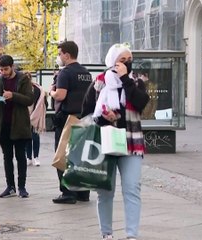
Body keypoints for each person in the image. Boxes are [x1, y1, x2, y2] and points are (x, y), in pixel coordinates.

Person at [81, 44, 150, 240]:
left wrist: (125, 79)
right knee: (105, 191)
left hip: (131, 142)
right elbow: (88, 111)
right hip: (105, 143)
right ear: (112, 61)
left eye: (129, 59)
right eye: (122, 59)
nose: (127, 62)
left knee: (132, 189)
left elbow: (140, 103)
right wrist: (105, 118)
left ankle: (131, 235)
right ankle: (107, 233)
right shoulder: (100, 82)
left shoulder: (136, 81)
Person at [49, 41, 92, 204]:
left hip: (67, 119)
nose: (59, 57)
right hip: (84, 118)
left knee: (63, 156)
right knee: (81, 156)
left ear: (67, 55)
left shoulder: (65, 73)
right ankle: (83, 192)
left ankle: (67, 192)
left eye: (60, 54)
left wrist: (51, 92)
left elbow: (60, 95)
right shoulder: (86, 73)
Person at [0, 55, 33, 198]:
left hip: (20, 124)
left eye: (6, 69)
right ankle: (10, 186)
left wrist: (13, 95)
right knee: (7, 157)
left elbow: (29, 100)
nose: (3, 72)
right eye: (1, 70)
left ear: (12, 67)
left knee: (20, 156)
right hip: (4, 124)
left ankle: (22, 187)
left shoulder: (23, 79)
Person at [25, 71, 47, 167]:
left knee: (35, 136)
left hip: (36, 114)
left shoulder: (37, 89)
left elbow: (43, 101)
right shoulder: (21, 89)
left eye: (28, 78)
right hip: (25, 115)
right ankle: (29, 157)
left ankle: (36, 157)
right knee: (27, 138)